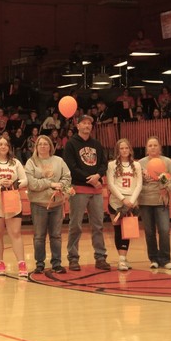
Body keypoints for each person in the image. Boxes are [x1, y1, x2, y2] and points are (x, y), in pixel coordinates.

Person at [62, 115, 110, 272]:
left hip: (96, 189)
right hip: (79, 189)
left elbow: (103, 163)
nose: (87, 126)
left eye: (90, 123)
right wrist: (89, 179)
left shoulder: (96, 144)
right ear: (78, 125)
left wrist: (98, 176)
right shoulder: (71, 144)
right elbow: (71, 166)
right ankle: (73, 258)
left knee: (98, 225)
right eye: (84, 123)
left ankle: (100, 257)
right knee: (75, 225)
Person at [24, 135, 71, 273]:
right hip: (39, 204)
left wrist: (60, 185)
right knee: (39, 236)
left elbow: (67, 177)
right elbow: (32, 184)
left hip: (56, 204)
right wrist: (50, 183)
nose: (43, 146)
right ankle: (40, 263)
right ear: (36, 147)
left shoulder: (59, 161)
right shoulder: (31, 162)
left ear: (50, 146)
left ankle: (56, 263)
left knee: (56, 235)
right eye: (40, 144)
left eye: (46, 144)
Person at [0, 135, 28, 277]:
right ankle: (0, 263)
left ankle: (21, 263)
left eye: (6, 144)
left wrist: (13, 184)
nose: (3, 147)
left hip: (12, 201)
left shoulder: (15, 162)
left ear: (9, 147)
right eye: (0, 144)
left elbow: (25, 180)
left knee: (15, 233)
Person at [138, 137, 171, 270]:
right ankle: (154, 258)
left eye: (155, 145)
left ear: (160, 147)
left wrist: (166, 188)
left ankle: (165, 259)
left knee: (164, 230)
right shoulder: (140, 163)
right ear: (146, 148)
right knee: (149, 231)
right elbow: (137, 183)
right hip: (145, 201)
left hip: (161, 201)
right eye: (150, 145)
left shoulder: (167, 162)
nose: (153, 147)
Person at [106, 138, 142, 271]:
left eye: (126, 148)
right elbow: (111, 184)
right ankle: (121, 259)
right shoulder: (112, 165)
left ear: (130, 149)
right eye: (121, 148)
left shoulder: (137, 165)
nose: (124, 150)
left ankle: (123, 258)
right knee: (117, 230)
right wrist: (122, 199)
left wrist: (131, 201)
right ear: (118, 150)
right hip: (116, 202)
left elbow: (139, 184)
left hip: (131, 202)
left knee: (127, 231)